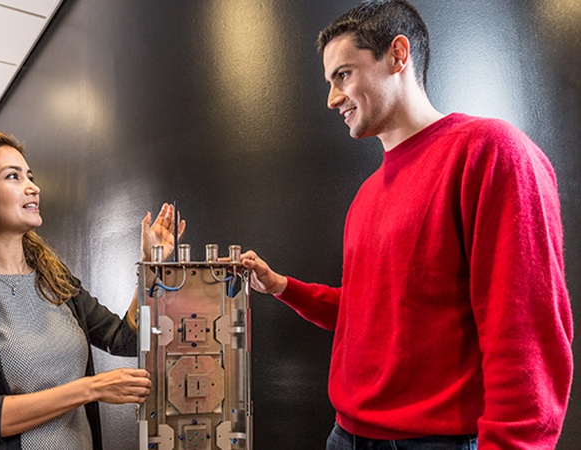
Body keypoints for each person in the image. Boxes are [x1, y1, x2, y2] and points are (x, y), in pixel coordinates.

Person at [240, 1, 573, 449]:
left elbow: (525, 334)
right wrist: (282, 286)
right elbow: (366, 315)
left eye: (343, 75)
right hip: (346, 436)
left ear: (398, 55)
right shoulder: (366, 196)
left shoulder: (489, 152)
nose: (332, 99)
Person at [0, 131, 185, 450]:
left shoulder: (54, 279)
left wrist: (150, 266)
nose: (33, 187)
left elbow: (125, 338)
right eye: (13, 176)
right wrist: (91, 389)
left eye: (30, 176)